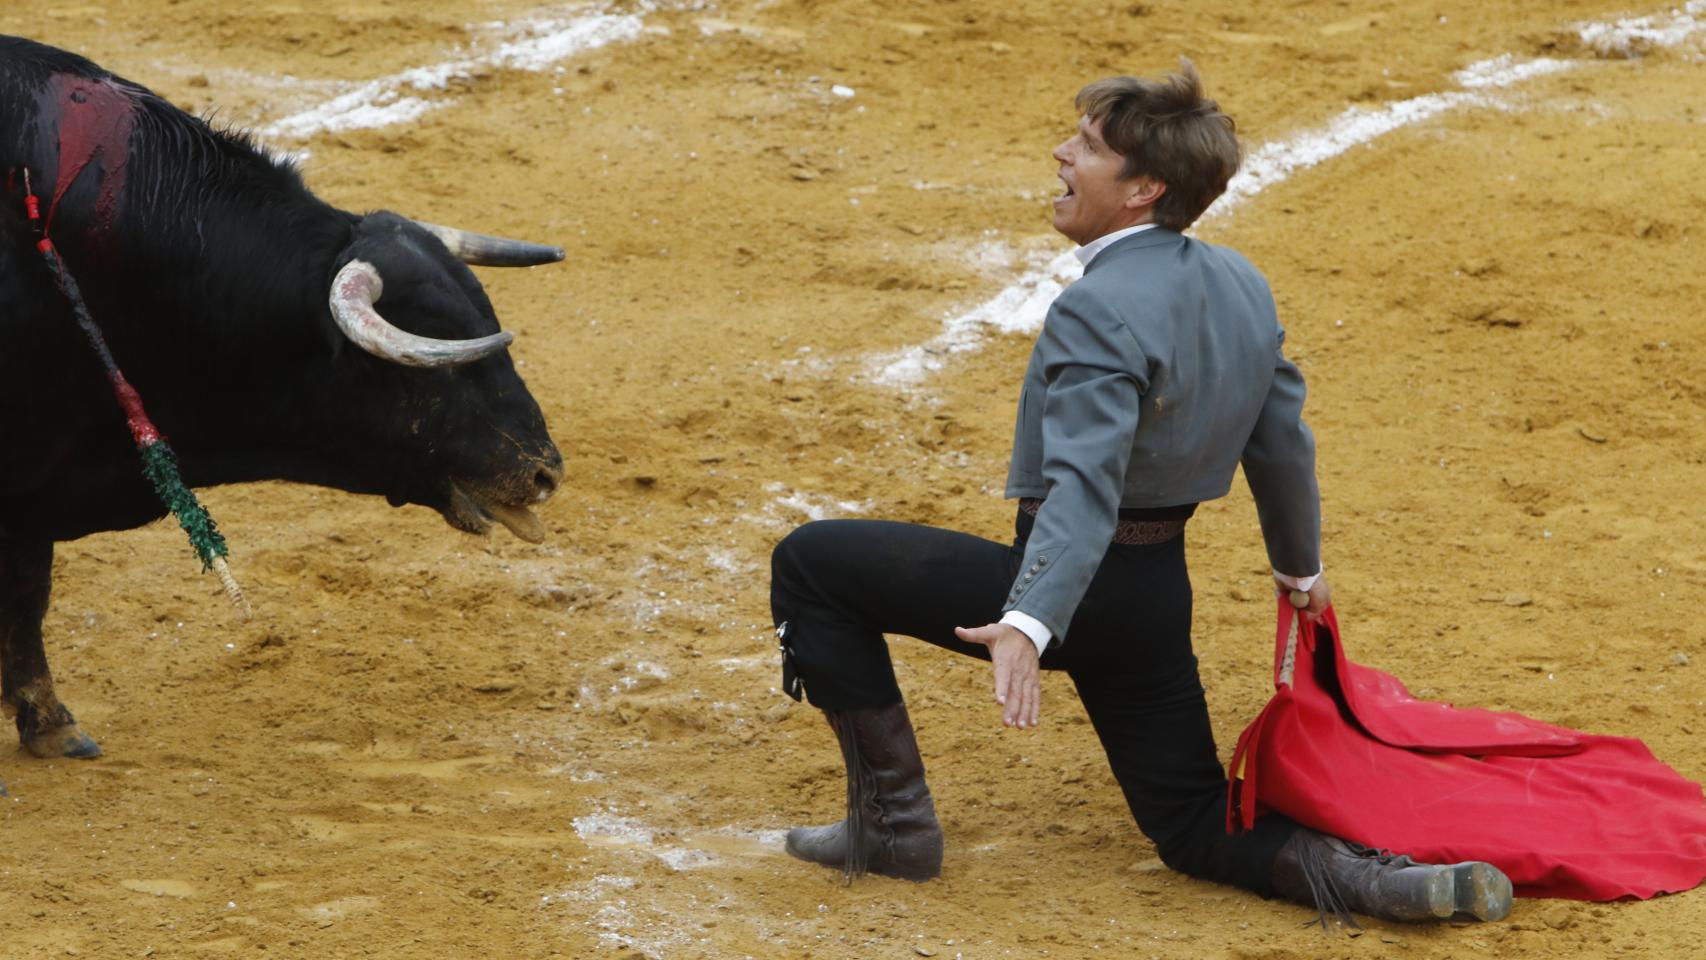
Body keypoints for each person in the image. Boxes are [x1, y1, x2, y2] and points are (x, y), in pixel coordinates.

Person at [767, 60, 1513, 927]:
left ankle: (892, 827)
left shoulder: (1096, 309)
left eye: (1087, 147)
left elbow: (1085, 485)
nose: (1062, 153)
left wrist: (1029, 623)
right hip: (1152, 598)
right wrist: (1298, 569)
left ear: (1143, 188)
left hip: (1073, 587)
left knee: (812, 564)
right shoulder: (1241, 281)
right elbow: (1280, 441)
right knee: (1191, 823)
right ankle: (1382, 882)